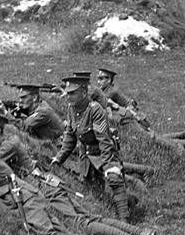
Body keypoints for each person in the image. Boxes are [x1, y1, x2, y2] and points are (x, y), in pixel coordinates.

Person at [0, 111, 155, 235]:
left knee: (81, 222)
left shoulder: (8, 145)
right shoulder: (4, 143)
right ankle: (138, 234)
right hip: (45, 184)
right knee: (88, 218)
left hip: (42, 186)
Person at [51, 73, 135, 223]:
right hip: (87, 156)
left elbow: (104, 140)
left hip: (103, 151)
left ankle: (125, 219)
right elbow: (70, 136)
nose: (68, 97)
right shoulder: (72, 108)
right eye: (67, 93)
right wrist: (59, 158)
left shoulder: (95, 110)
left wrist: (109, 166)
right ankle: (128, 201)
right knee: (93, 192)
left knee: (114, 179)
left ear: (84, 93)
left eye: (72, 93)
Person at [94, 68, 185, 151]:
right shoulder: (107, 89)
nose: (98, 82)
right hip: (131, 116)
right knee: (153, 136)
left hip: (133, 116)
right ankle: (184, 136)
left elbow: (106, 102)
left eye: (101, 79)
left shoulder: (110, 91)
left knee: (151, 138)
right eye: (98, 79)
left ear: (109, 80)